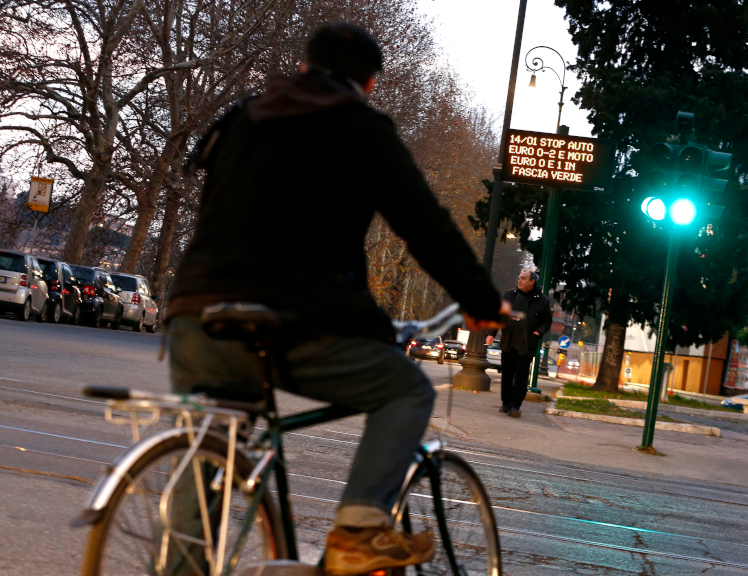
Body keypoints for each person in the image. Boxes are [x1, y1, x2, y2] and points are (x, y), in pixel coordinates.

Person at [166, 23, 508, 575]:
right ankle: (357, 530)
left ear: (304, 66)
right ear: (368, 83)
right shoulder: (359, 127)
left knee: (216, 442)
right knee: (407, 392)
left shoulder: (241, 117)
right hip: (287, 317)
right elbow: (425, 225)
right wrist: (482, 300)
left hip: (194, 313)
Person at [486, 269, 552, 418]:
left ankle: (515, 406)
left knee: (521, 375)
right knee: (507, 374)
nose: (520, 280)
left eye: (524, 278)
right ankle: (506, 403)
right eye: (519, 277)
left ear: (532, 282)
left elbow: (547, 320)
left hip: (526, 344)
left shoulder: (542, 301)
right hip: (508, 340)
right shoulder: (510, 295)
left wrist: (538, 332)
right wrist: (491, 333)